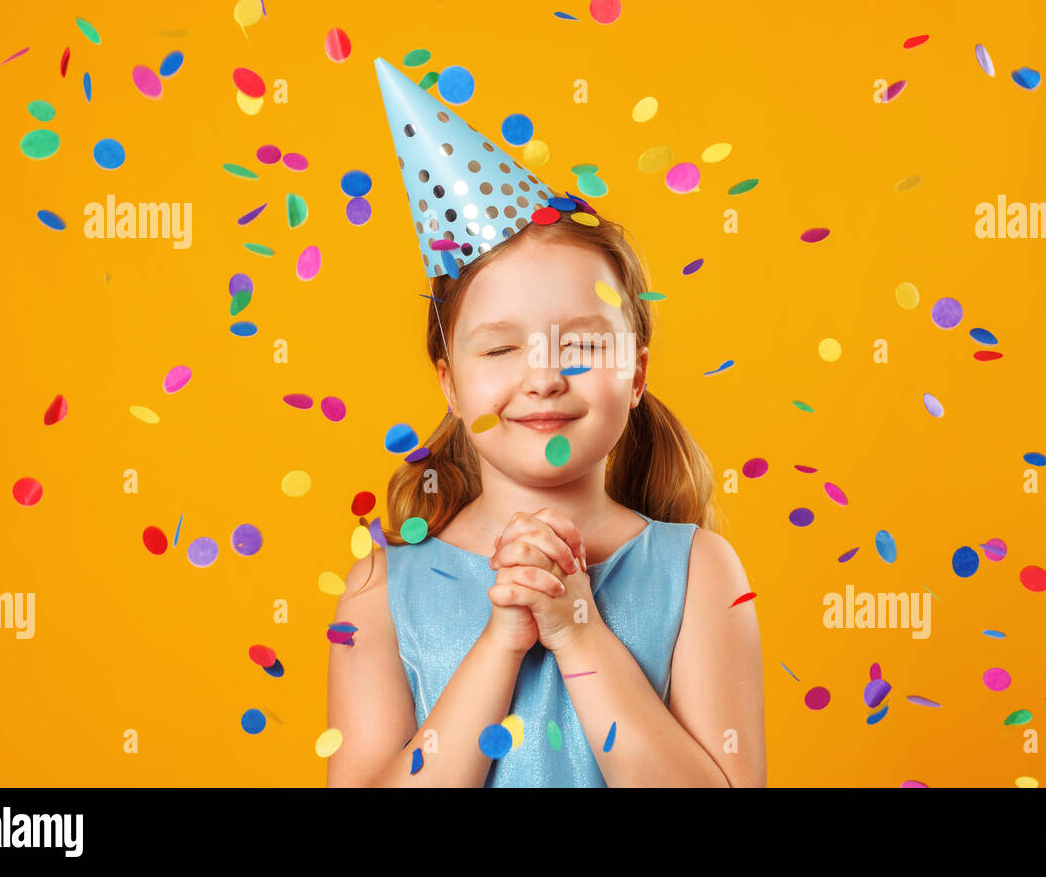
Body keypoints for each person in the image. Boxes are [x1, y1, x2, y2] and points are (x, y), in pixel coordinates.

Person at [324, 59, 765, 787]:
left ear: (637, 375)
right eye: (500, 346)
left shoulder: (700, 572)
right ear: (452, 384)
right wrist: (504, 640)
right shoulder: (378, 592)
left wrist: (575, 626)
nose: (544, 375)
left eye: (586, 345)